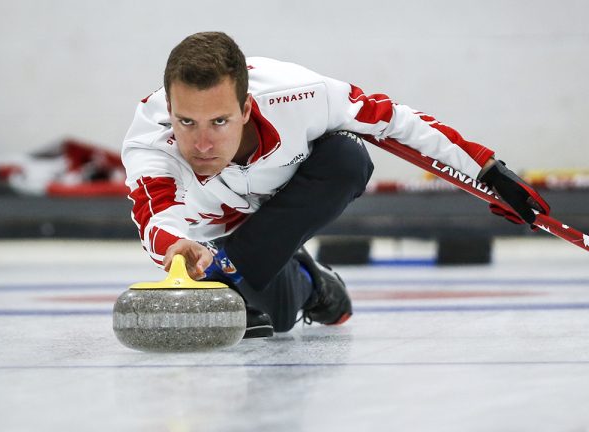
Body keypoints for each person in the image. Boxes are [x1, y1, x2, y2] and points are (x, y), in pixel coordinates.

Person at [122, 31, 550, 338]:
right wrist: (177, 246)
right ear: (170, 109)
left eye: (220, 121)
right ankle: (311, 285)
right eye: (186, 122)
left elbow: (394, 121)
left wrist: (488, 171)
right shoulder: (150, 142)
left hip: (280, 207)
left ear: (247, 107)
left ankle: (247, 279)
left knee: (346, 157)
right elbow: (155, 217)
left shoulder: (301, 95)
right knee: (276, 315)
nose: (201, 142)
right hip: (216, 243)